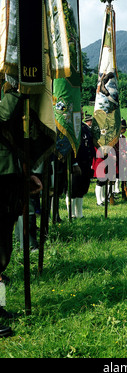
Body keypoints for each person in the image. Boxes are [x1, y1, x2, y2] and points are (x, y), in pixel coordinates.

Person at [0, 88, 43, 337]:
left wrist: (28, 174)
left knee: (2, 250)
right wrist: (19, 89)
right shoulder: (9, 94)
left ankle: (0, 305)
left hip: (8, 177)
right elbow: (4, 114)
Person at [66, 111, 95, 218]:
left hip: (86, 162)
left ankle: (79, 213)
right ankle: (71, 213)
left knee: (82, 189)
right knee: (73, 188)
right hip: (76, 162)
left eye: (82, 114)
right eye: (80, 113)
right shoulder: (72, 128)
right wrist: (74, 162)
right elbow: (70, 147)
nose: (82, 116)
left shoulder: (85, 127)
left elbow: (90, 144)